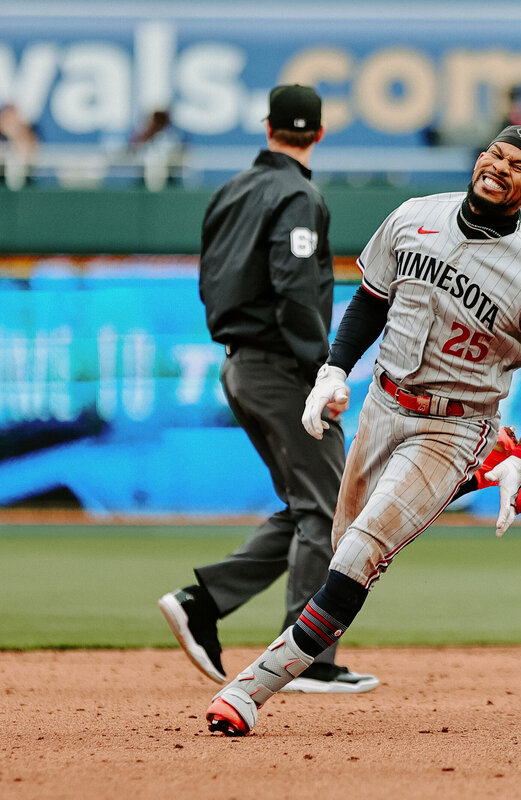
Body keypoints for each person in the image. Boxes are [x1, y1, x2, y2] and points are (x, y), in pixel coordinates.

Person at [204, 124, 521, 736]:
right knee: (344, 543)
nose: (498, 166)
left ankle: (251, 689)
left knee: (361, 553)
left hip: (453, 426)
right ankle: (478, 475)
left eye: (517, 165)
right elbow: (371, 299)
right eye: (492, 153)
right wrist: (334, 369)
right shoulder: (415, 216)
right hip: (382, 406)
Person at [158, 85, 378, 694]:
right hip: (284, 368)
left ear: (267, 126)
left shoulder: (230, 191)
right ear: (321, 134)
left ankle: (204, 601)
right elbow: (293, 285)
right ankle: (307, 658)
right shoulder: (299, 194)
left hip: (238, 363)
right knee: (333, 510)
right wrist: (323, 370)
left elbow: (210, 280)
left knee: (311, 506)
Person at [0, 103, 40, 189]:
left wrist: (17, 135)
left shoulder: (29, 134)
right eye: (7, 119)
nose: (11, 122)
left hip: (26, 185)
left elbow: (29, 155)